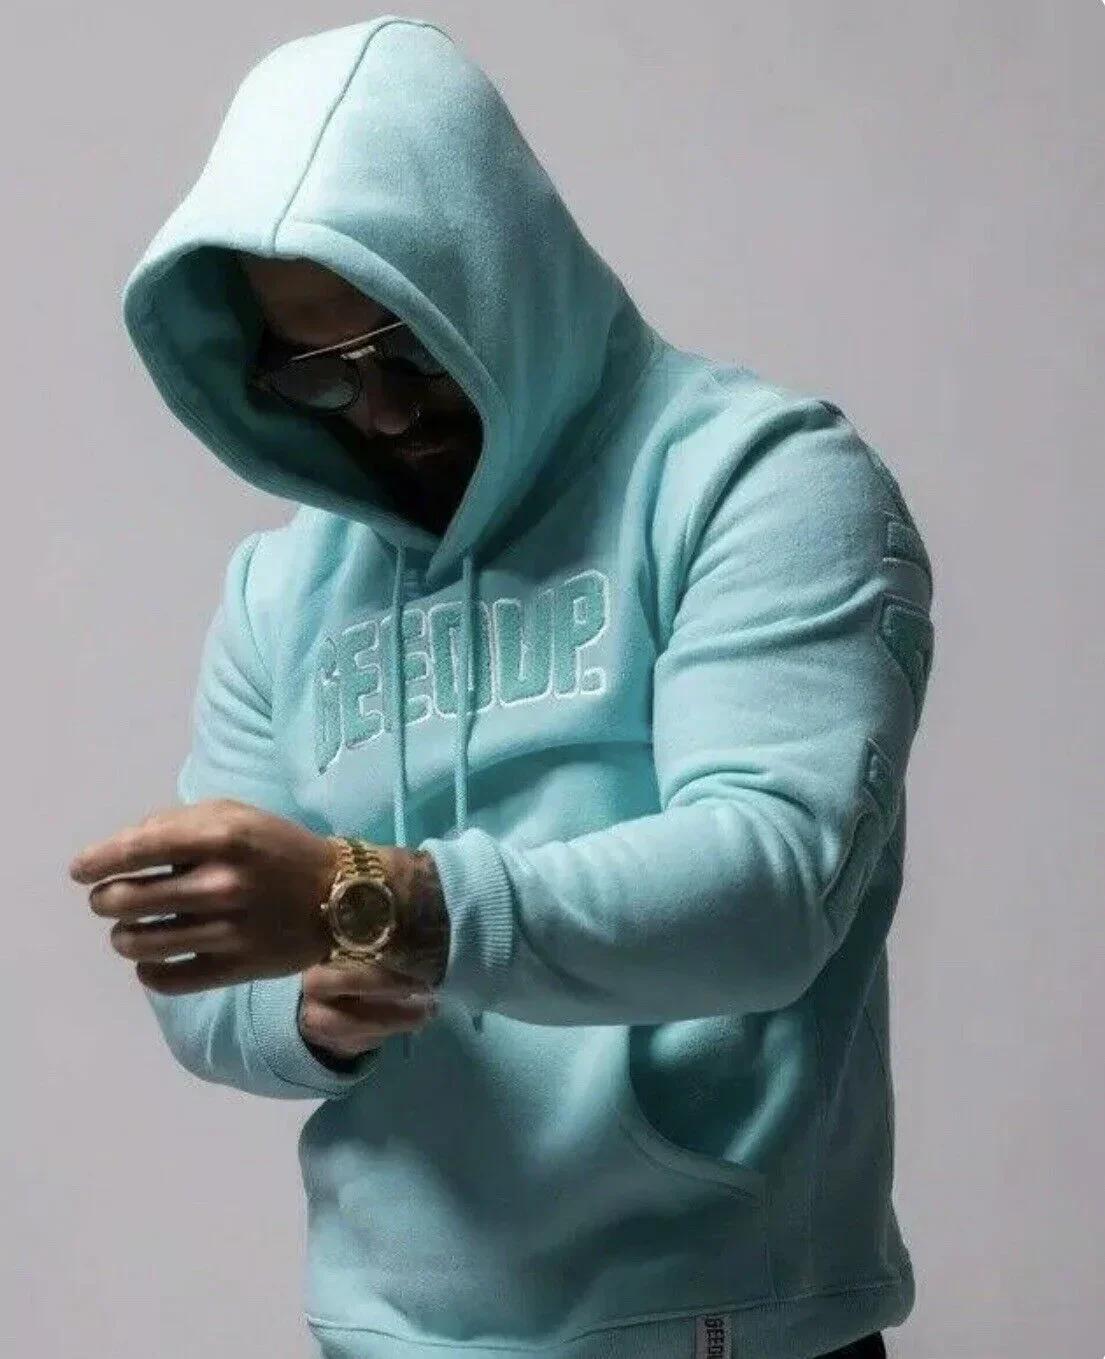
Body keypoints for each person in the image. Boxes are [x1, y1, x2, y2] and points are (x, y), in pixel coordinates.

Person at [84, 15, 935, 1359]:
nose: (379, 413)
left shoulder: (758, 481)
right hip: (384, 1332)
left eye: (408, 347)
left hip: (710, 1322)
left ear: (506, 271)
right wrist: (305, 1008)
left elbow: (773, 887)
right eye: (318, 375)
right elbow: (207, 979)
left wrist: (377, 900)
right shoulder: (279, 589)